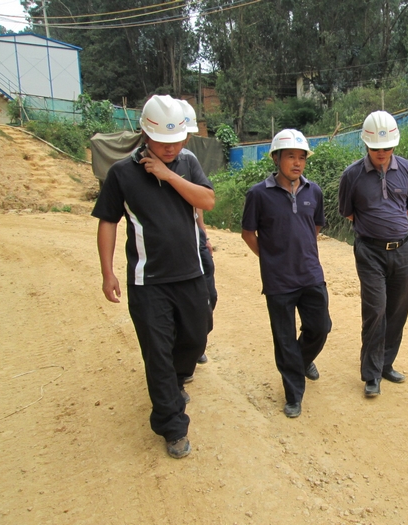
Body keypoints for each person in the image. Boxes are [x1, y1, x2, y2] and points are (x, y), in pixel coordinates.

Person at [92, 94, 215, 458]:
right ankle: (172, 424)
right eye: (162, 141)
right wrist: (107, 272)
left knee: (196, 337)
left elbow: (207, 201)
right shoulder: (121, 173)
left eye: (176, 140)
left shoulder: (187, 162)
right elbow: (108, 222)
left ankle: (174, 384)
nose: (170, 147)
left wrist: (168, 174)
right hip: (148, 282)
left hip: (190, 275)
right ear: (145, 134)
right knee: (158, 353)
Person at [241, 129, 331, 418]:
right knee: (284, 338)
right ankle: (294, 394)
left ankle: (301, 360)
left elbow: (315, 226)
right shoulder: (258, 194)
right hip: (278, 281)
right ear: (276, 158)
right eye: (291, 156)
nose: (297, 163)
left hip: (310, 274)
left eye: (302, 157)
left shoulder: (314, 191)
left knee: (320, 327)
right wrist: (271, 259)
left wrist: (302, 251)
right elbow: (248, 233)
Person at [338, 111, 408, 397]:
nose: (381, 153)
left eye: (386, 147)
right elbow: (348, 213)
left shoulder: (407, 170)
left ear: (394, 144)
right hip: (369, 252)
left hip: (402, 250)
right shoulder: (352, 175)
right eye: (375, 148)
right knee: (375, 310)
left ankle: (386, 364)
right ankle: (371, 374)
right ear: (366, 145)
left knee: (397, 309)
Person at [178, 98, 216, 372]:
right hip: (174, 247)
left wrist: (204, 233)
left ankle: (195, 340)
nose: (186, 141)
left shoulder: (188, 160)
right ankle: (185, 350)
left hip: (196, 242)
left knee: (208, 296)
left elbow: (199, 200)